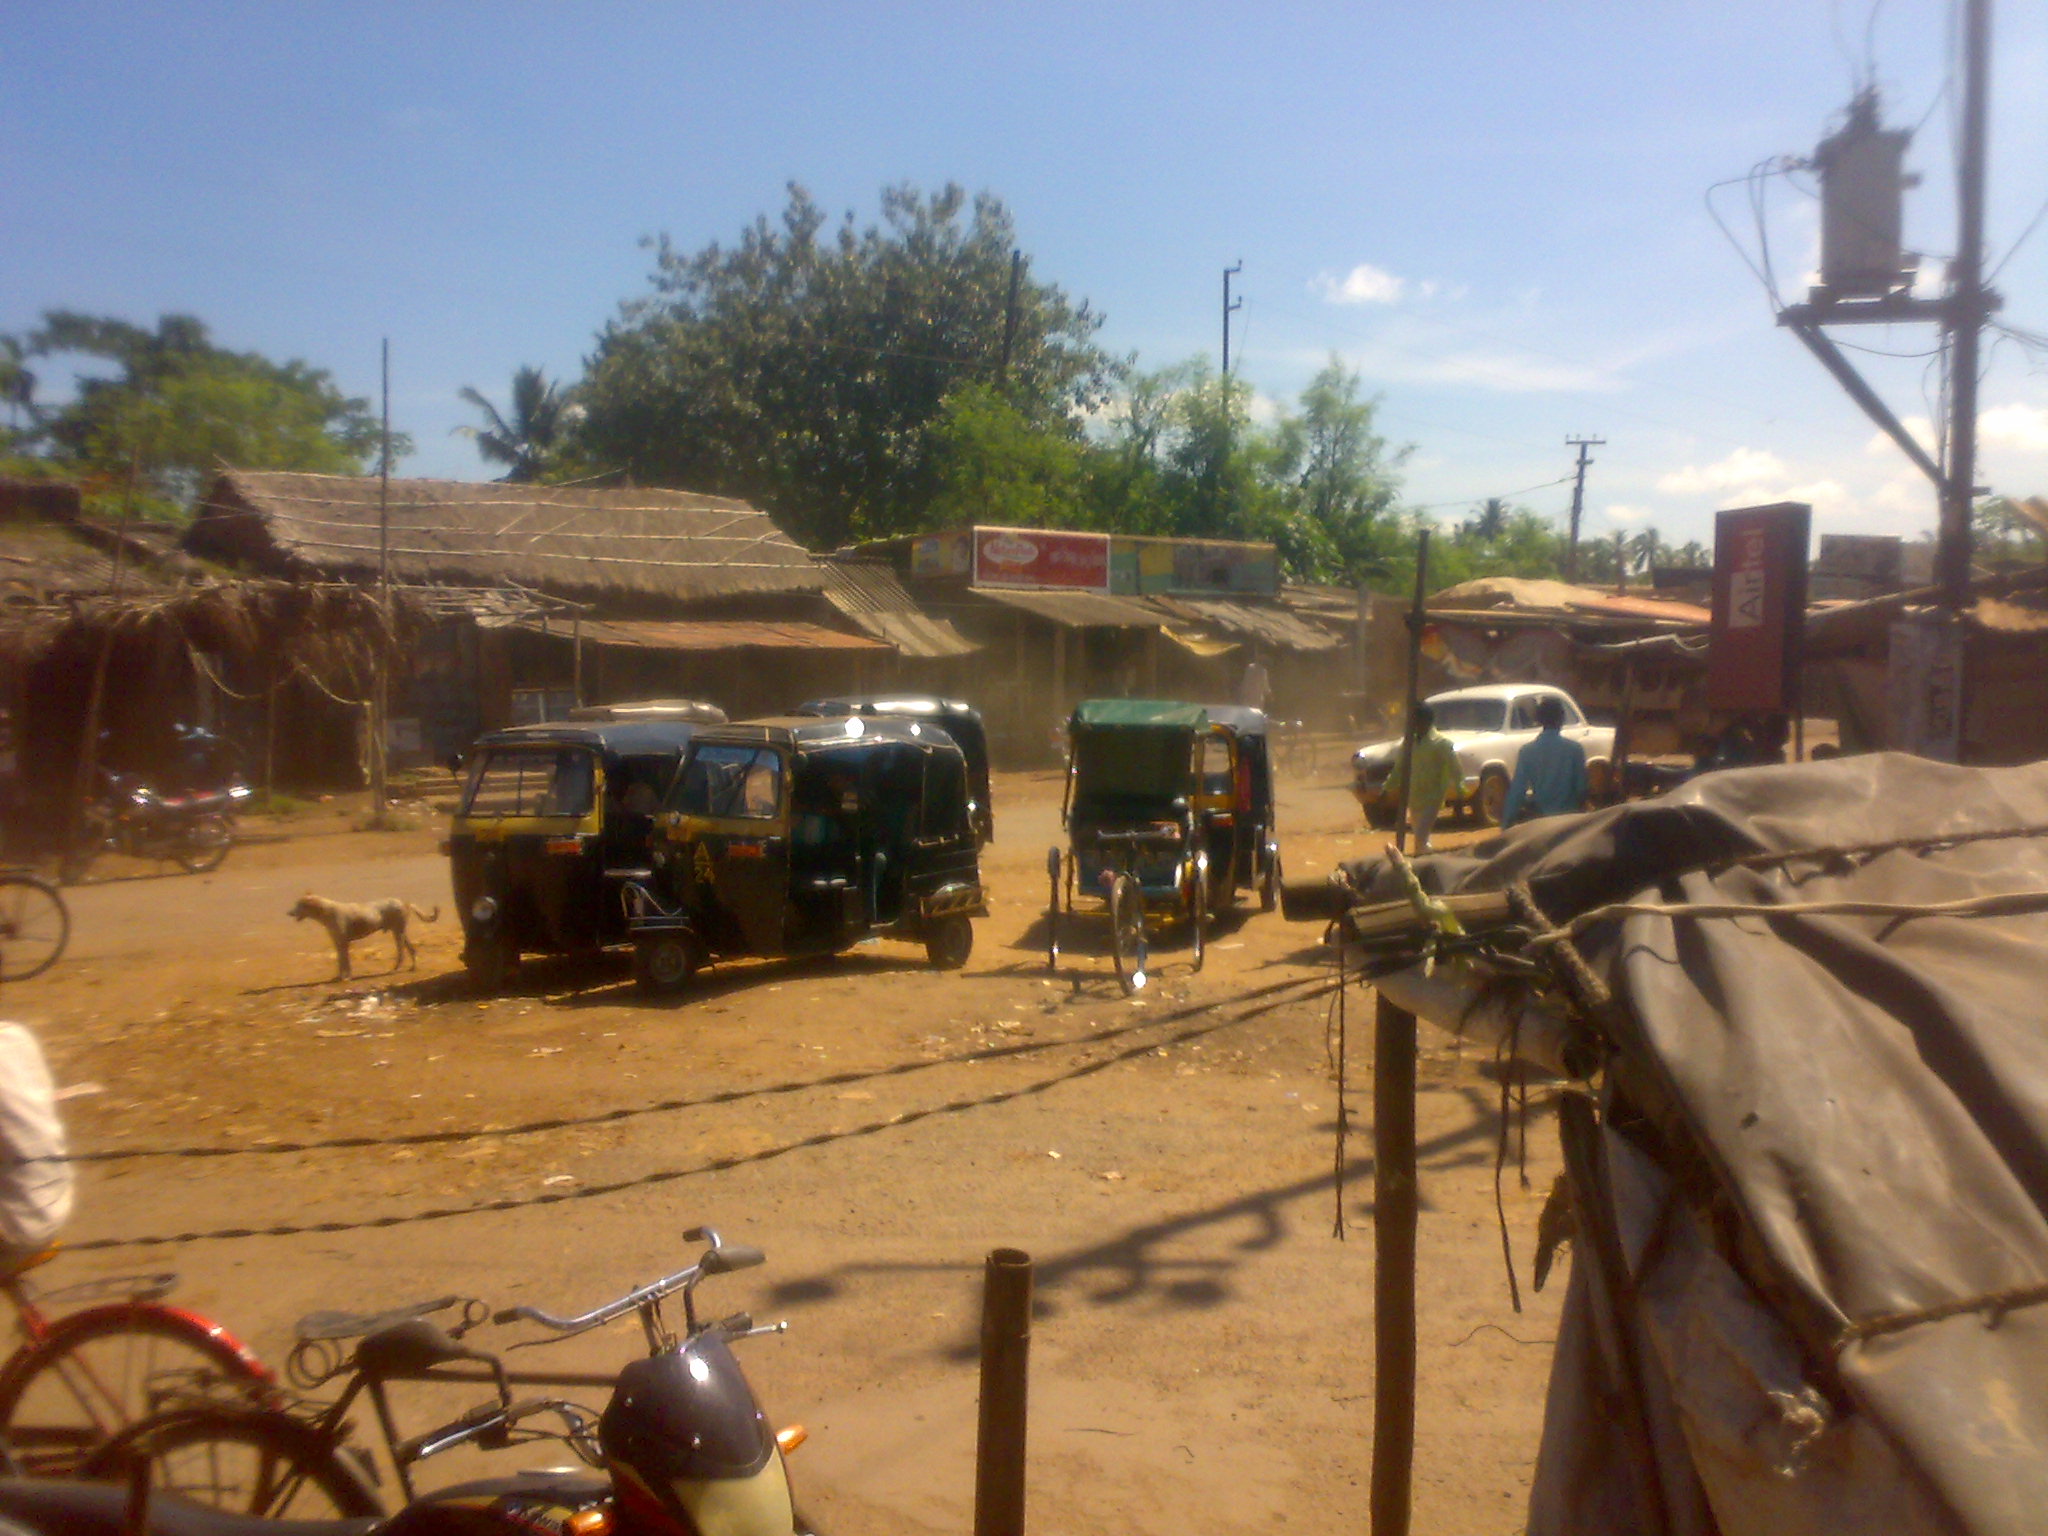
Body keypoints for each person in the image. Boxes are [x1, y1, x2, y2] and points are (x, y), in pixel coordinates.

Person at [1500, 694, 1588, 829]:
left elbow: (1517, 792)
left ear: (1539, 720)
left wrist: (1506, 825)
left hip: (1541, 822)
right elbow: (1581, 789)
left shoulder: (1527, 752)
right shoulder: (1575, 750)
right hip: (1570, 822)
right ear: (1561, 718)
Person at [1387, 703, 1460, 853]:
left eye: (1416, 721)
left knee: (1420, 836)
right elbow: (1400, 767)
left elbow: (1455, 766)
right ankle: (1427, 864)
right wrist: (1389, 785)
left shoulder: (1441, 743)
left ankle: (1427, 865)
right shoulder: (1409, 743)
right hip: (1415, 797)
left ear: (1426, 721)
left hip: (1433, 797)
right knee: (1421, 840)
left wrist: (1460, 785)